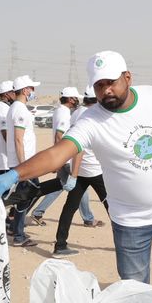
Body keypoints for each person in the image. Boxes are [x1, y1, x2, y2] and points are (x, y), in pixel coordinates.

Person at [0, 51, 152, 287]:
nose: (106, 90)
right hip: (130, 224)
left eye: (111, 82)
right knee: (135, 294)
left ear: (127, 77)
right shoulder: (91, 121)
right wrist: (15, 174)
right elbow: (57, 154)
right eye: (99, 85)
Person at [53, 86, 110, 257]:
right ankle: (127, 243)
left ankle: (60, 245)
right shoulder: (91, 116)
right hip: (92, 170)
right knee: (113, 207)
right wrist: (74, 174)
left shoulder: (77, 113)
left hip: (82, 170)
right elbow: (80, 148)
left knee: (69, 207)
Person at [30, 87, 99, 228]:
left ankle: (37, 211)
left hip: (67, 157)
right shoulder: (65, 113)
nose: (77, 101)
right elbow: (59, 136)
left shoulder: (69, 112)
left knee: (61, 186)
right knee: (79, 188)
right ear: (69, 99)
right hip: (68, 157)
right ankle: (88, 219)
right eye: (75, 98)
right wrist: (59, 158)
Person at [5, 75, 42, 247]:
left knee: (27, 195)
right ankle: (18, 234)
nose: (33, 92)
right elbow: (18, 139)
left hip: (25, 161)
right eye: (32, 88)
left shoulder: (16, 108)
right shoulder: (19, 109)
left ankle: (15, 228)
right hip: (24, 162)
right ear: (26, 90)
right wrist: (23, 166)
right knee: (27, 196)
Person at [0, 81, 14, 175]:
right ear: (6, 94)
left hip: (8, 157)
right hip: (5, 159)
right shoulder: (1, 108)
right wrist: (15, 150)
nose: (15, 94)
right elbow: (5, 133)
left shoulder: (6, 107)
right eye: (13, 92)